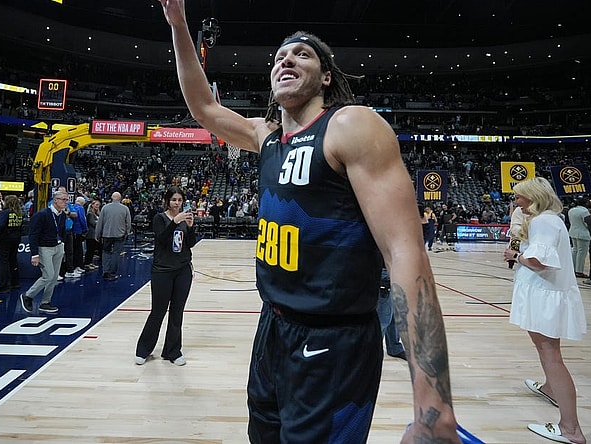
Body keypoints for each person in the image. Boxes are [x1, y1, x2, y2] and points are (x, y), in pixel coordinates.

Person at [159, 2, 459, 442]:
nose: (287, 59)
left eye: (302, 54)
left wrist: (433, 406)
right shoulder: (267, 138)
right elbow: (204, 107)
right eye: (280, 56)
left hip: (334, 340)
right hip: (272, 328)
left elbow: (404, 252)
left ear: (325, 77)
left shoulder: (350, 125)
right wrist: (179, 25)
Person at [503, 177, 587, 444]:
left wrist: (515, 256)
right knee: (547, 352)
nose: (516, 202)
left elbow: (539, 262)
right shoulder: (549, 219)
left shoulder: (542, 221)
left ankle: (570, 429)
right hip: (545, 294)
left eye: (519, 197)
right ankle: (550, 388)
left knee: (551, 354)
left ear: (532, 196)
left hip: (544, 296)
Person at [135, 186, 196, 366]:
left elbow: (190, 244)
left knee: (177, 312)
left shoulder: (185, 220)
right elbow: (161, 239)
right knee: (158, 311)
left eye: (179, 200)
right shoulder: (159, 218)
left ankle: (173, 351)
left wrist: (191, 228)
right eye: (173, 200)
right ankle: (143, 349)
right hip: (162, 271)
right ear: (167, 201)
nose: (177, 203)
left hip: (182, 270)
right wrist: (175, 222)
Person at [19, 190, 68, 314]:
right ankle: (28, 296)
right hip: (44, 248)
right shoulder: (42, 214)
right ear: (55, 200)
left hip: (58, 247)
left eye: (66, 200)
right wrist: (35, 254)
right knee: (48, 275)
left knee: (54, 277)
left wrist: (62, 243)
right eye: (63, 199)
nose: (66, 202)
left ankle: (45, 302)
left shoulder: (62, 214)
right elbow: (33, 235)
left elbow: (61, 231)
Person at [95, 191, 131, 281]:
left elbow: (100, 222)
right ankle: (113, 272)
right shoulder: (125, 208)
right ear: (120, 198)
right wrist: (127, 232)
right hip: (120, 234)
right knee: (116, 253)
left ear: (111, 197)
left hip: (107, 234)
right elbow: (128, 222)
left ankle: (105, 271)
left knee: (106, 252)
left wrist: (97, 233)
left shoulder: (105, 208)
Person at [376, 266, 407, 360]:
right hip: (383, 271)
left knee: (396, 313)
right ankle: (373, 351)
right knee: (383, 317)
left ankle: (394, 347)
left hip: (396, 269)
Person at [567, 198, 591, 278]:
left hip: (573, 231)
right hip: (583, 233)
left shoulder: (571, 210)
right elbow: (587, 223)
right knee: (582, 253)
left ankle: (573, 269)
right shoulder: (584, 211)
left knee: (575, 250)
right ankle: (579, 271)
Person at [83, 198, 102, 269]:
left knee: (92, 250)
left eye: (98, 205)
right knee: (90, 250)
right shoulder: (90, 214)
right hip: (90, 235)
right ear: (92, 205)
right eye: (96, 205)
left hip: (95, 235)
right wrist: (99, 223)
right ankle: (87, 263)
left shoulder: (97, 214)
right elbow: (93, 223)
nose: (97, 206)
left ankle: (90, 262)